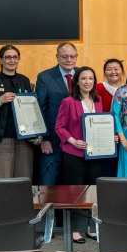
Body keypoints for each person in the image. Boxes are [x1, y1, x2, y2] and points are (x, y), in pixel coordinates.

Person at [55, 66, 109, 243]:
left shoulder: (98, 100)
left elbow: (101, 124)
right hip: (74, 153)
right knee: (75, 191)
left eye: (91, 78)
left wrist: (109, 137)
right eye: (84, 78)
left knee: (93, 191)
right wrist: (73, 141)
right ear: (77, 81)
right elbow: (59, 127)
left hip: (95, 154)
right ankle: (74, 229)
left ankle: (91, 227)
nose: (87, 82)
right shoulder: (68, 101)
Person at [0, 45, 35, 179]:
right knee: (0, 180)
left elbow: (31, 108)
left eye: (15, 57)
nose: (12, 60)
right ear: (0, 60)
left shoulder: (24, 80)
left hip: (23, 139)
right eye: (8, 57)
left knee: (23, 179)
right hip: (0, 138)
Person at [35, 42, 77, 185]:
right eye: (65, 56)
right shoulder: (45, 77)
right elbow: (40, 109)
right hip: (53, 142)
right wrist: (44, 138)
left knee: (73, 185)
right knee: (49, 184)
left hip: (77, 143)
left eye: (72, 56)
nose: (69, 59)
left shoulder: (82, 75)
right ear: (57, 57)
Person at [95, 58, 123, 177]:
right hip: (103, 136)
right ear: (104, 72)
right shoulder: (98, 88)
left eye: (116, 69)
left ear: (122, 71)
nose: (113, 72)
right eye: (109, 69)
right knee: (106, 170)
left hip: (124, 136)